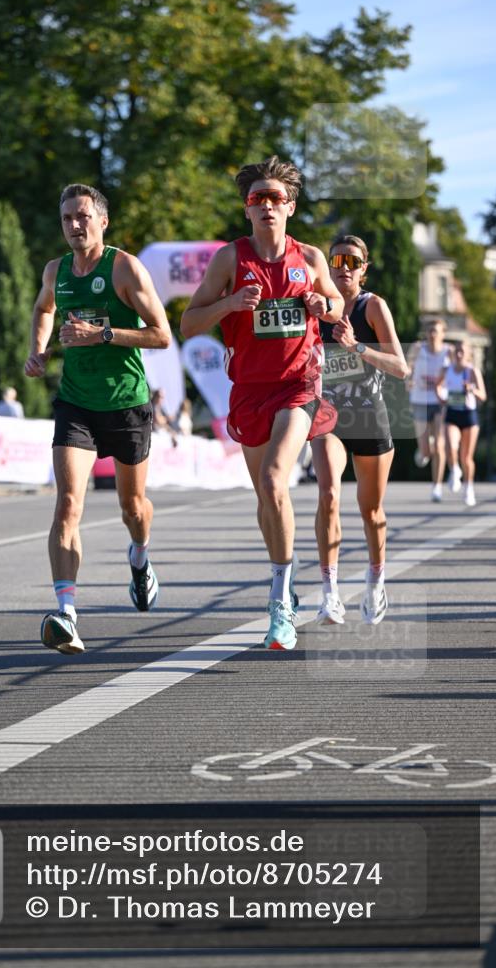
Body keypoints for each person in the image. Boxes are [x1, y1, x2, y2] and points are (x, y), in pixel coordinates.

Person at [181, 155, 344, 651]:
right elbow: (187, 324)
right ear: (247, 209)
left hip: (298, 384)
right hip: (248, 390)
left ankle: (279, 602)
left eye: (276, 198)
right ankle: (286, 573)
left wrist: (324, 305)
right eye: (258, 199)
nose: (267, 205)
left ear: (290, 207)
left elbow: (337, 305)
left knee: (276, 477)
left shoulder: (311, 259)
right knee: (266, 497)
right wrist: (229, 305)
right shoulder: (230, 259)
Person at [24, 183, 171, 655]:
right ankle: (66, 614)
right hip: (76, 404)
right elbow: (44, 308)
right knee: (68, 503)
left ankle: (140, 556)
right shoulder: (57, 270)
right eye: (67, 218)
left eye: (82, 216)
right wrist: (39, 350)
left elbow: (162, 335)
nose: (74, 225)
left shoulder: (124, 268)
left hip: (126, 402)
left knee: (133, 510)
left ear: (102, 220)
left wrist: (101, 333)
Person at [312, 235, 409, 626]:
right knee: (329, 493)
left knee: (370, 511)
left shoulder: (373, 306)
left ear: (363, 269)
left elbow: (401, 367)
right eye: (337, 259)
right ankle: (330, 593)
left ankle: (375, 578)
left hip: (370, 417)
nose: (344, 267)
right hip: (330, 417)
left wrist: (357, 348)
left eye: (353, 261)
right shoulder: (316, 305)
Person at [436, 340, 486, 507]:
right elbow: (437, 386)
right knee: (450, 446)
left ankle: (469, 488)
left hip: (469, 415)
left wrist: (472, 389)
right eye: (456, 351)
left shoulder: (472, 371)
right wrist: (441, 397)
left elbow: (483, 396)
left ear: (469, 354)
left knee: (467, 457)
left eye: (462, 351)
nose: (459, 354)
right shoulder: (446, 370)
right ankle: (455, 469)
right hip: (452, 412)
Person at [407, 319, 452, 502]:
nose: (432, 334)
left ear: (443, 333)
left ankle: (437, 487)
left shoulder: (449, 352)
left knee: (440, 445)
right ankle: (425, 449)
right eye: (430, 331)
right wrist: (408, 380)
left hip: (441, 402)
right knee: (426, 451)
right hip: (419, 400)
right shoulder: (418, 348)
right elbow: (407, 368)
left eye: (436, 331)